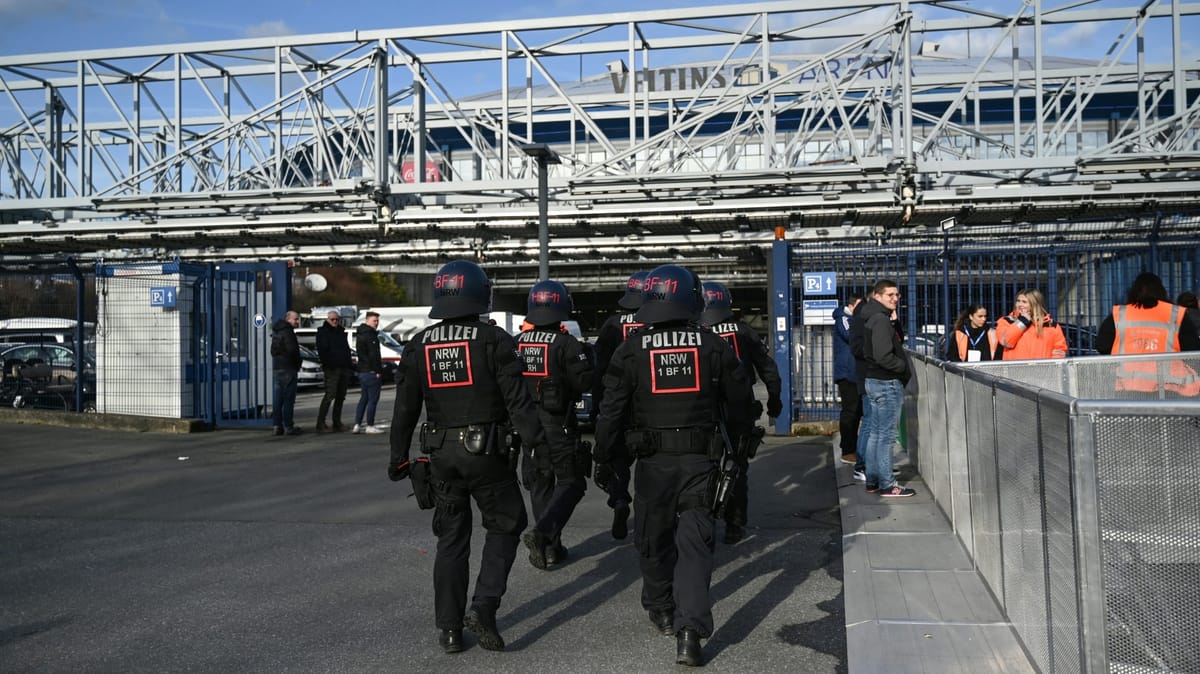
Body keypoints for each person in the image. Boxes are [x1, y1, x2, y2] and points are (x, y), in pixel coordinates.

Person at [593, 264, 753, 667]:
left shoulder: (630, 349)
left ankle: (661, 607)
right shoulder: (713, 345)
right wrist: (737, 449)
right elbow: (740, 405)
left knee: (652, 540)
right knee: (696, 545)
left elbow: (610, 411)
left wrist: (605, 456)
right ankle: (689, 633)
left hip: (652, 463)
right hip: (702, 460)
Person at [387, 260, 547, 654]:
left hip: (441, 455)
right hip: (488, 453)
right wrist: (537, 449)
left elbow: (405, 409)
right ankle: (485, 606)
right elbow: (519, 403)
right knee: (507, 525)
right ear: (481, 294)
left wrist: (397, 458)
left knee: (451, 540)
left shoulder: (418, 344)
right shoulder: (494, 341)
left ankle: (450, 630)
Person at [515, 280, 594, 570]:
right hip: (558, 424)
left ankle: (550, 548)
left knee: (540, 483)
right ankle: (544, 533)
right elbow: (584, 382)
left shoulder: (517, 342)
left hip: (526, 424)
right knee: (571, 482)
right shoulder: (567, 344)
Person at [698, 280, 782, 544]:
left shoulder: (694, 331)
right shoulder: (743, 331)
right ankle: (734, 524)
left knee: (702, 466)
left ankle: (702, 520)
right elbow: (768, 368)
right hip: (739, 408)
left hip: (704, 410)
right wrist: (774, 401)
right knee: (737, 467)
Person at [590, 270, 649, 540]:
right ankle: (649, 512)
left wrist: (598, 408)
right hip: (649, 404)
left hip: (618, 404)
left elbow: (598, 368)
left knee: (618, 461)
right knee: (651, 462)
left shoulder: (612, 324)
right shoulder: (657, 322)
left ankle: (620, 500)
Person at [1096, 272, 1200, 396]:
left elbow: (1102, 345)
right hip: (1170, 387)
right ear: (1162, 291)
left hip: (1128, 388)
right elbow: (1192, 349)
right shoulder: (1175, 315)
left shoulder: (1119, 315)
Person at [861, 280, 916, 498]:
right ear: (877, 296)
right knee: (886, 436)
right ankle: (887, 483)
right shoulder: (880, 320)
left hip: (874, 381)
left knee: (876, 434)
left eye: (897, 295)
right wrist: (902, 367)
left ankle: (873, 479)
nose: (895, 298)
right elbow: (883, 354)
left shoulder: (872, 317)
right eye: (890, 295)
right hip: (886, 382)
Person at [832, 292, 863, 467]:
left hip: (854, 373)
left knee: (856, 412)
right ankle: (847, 450)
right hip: (847, 373)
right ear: (852, 306)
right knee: (850, 412)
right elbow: (852, 336)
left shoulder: (851, 319)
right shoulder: (843, 319)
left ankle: (852, 447)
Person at [996, 288, 1068, 360]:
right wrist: (1022, 322)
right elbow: (1006, 342)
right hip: (1016, 369)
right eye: (1018, 301)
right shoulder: (1007, 321)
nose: (1020, 304)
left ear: (1034, 304)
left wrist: (1050, 367)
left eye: (1024, 302)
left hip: (1043, 369)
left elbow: (1060, 350)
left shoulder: (1051, 325)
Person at [315, 310, 353, 432]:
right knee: (329, 395)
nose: (335, 321)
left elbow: (346, 350)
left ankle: (337, 422)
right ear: (327, 320)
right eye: (332, 319)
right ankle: (320, 423)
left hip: (343, 368)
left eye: (337, 319)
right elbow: (322, 351)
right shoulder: (323, 333)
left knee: (341, 396)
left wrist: (349, 365)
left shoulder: (341, 332)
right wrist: (328, 365)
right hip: (332, 369)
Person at [270, 310, 303, 436]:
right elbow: (293, 351)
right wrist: (297, 363)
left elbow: (273, 351)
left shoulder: (277, 332)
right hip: (289, 368)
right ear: (288, 319)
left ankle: (277, 425)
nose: (297, 321)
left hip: (278, 368)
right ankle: (289, 426)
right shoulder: (288, 332)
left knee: (278, 399)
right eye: (295, 319)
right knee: (289, 399)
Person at [352, 311, 385, 434]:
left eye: (377, 321)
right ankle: (370, 425)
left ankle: (357, 424)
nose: (376, 323)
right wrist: (377, 371)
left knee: (364, 399)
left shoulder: (360, 334)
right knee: (372, 400)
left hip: (362, 370)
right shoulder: (370, 335)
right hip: (370, 371)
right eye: (374, 320)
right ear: (367, 320)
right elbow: (374, 355)